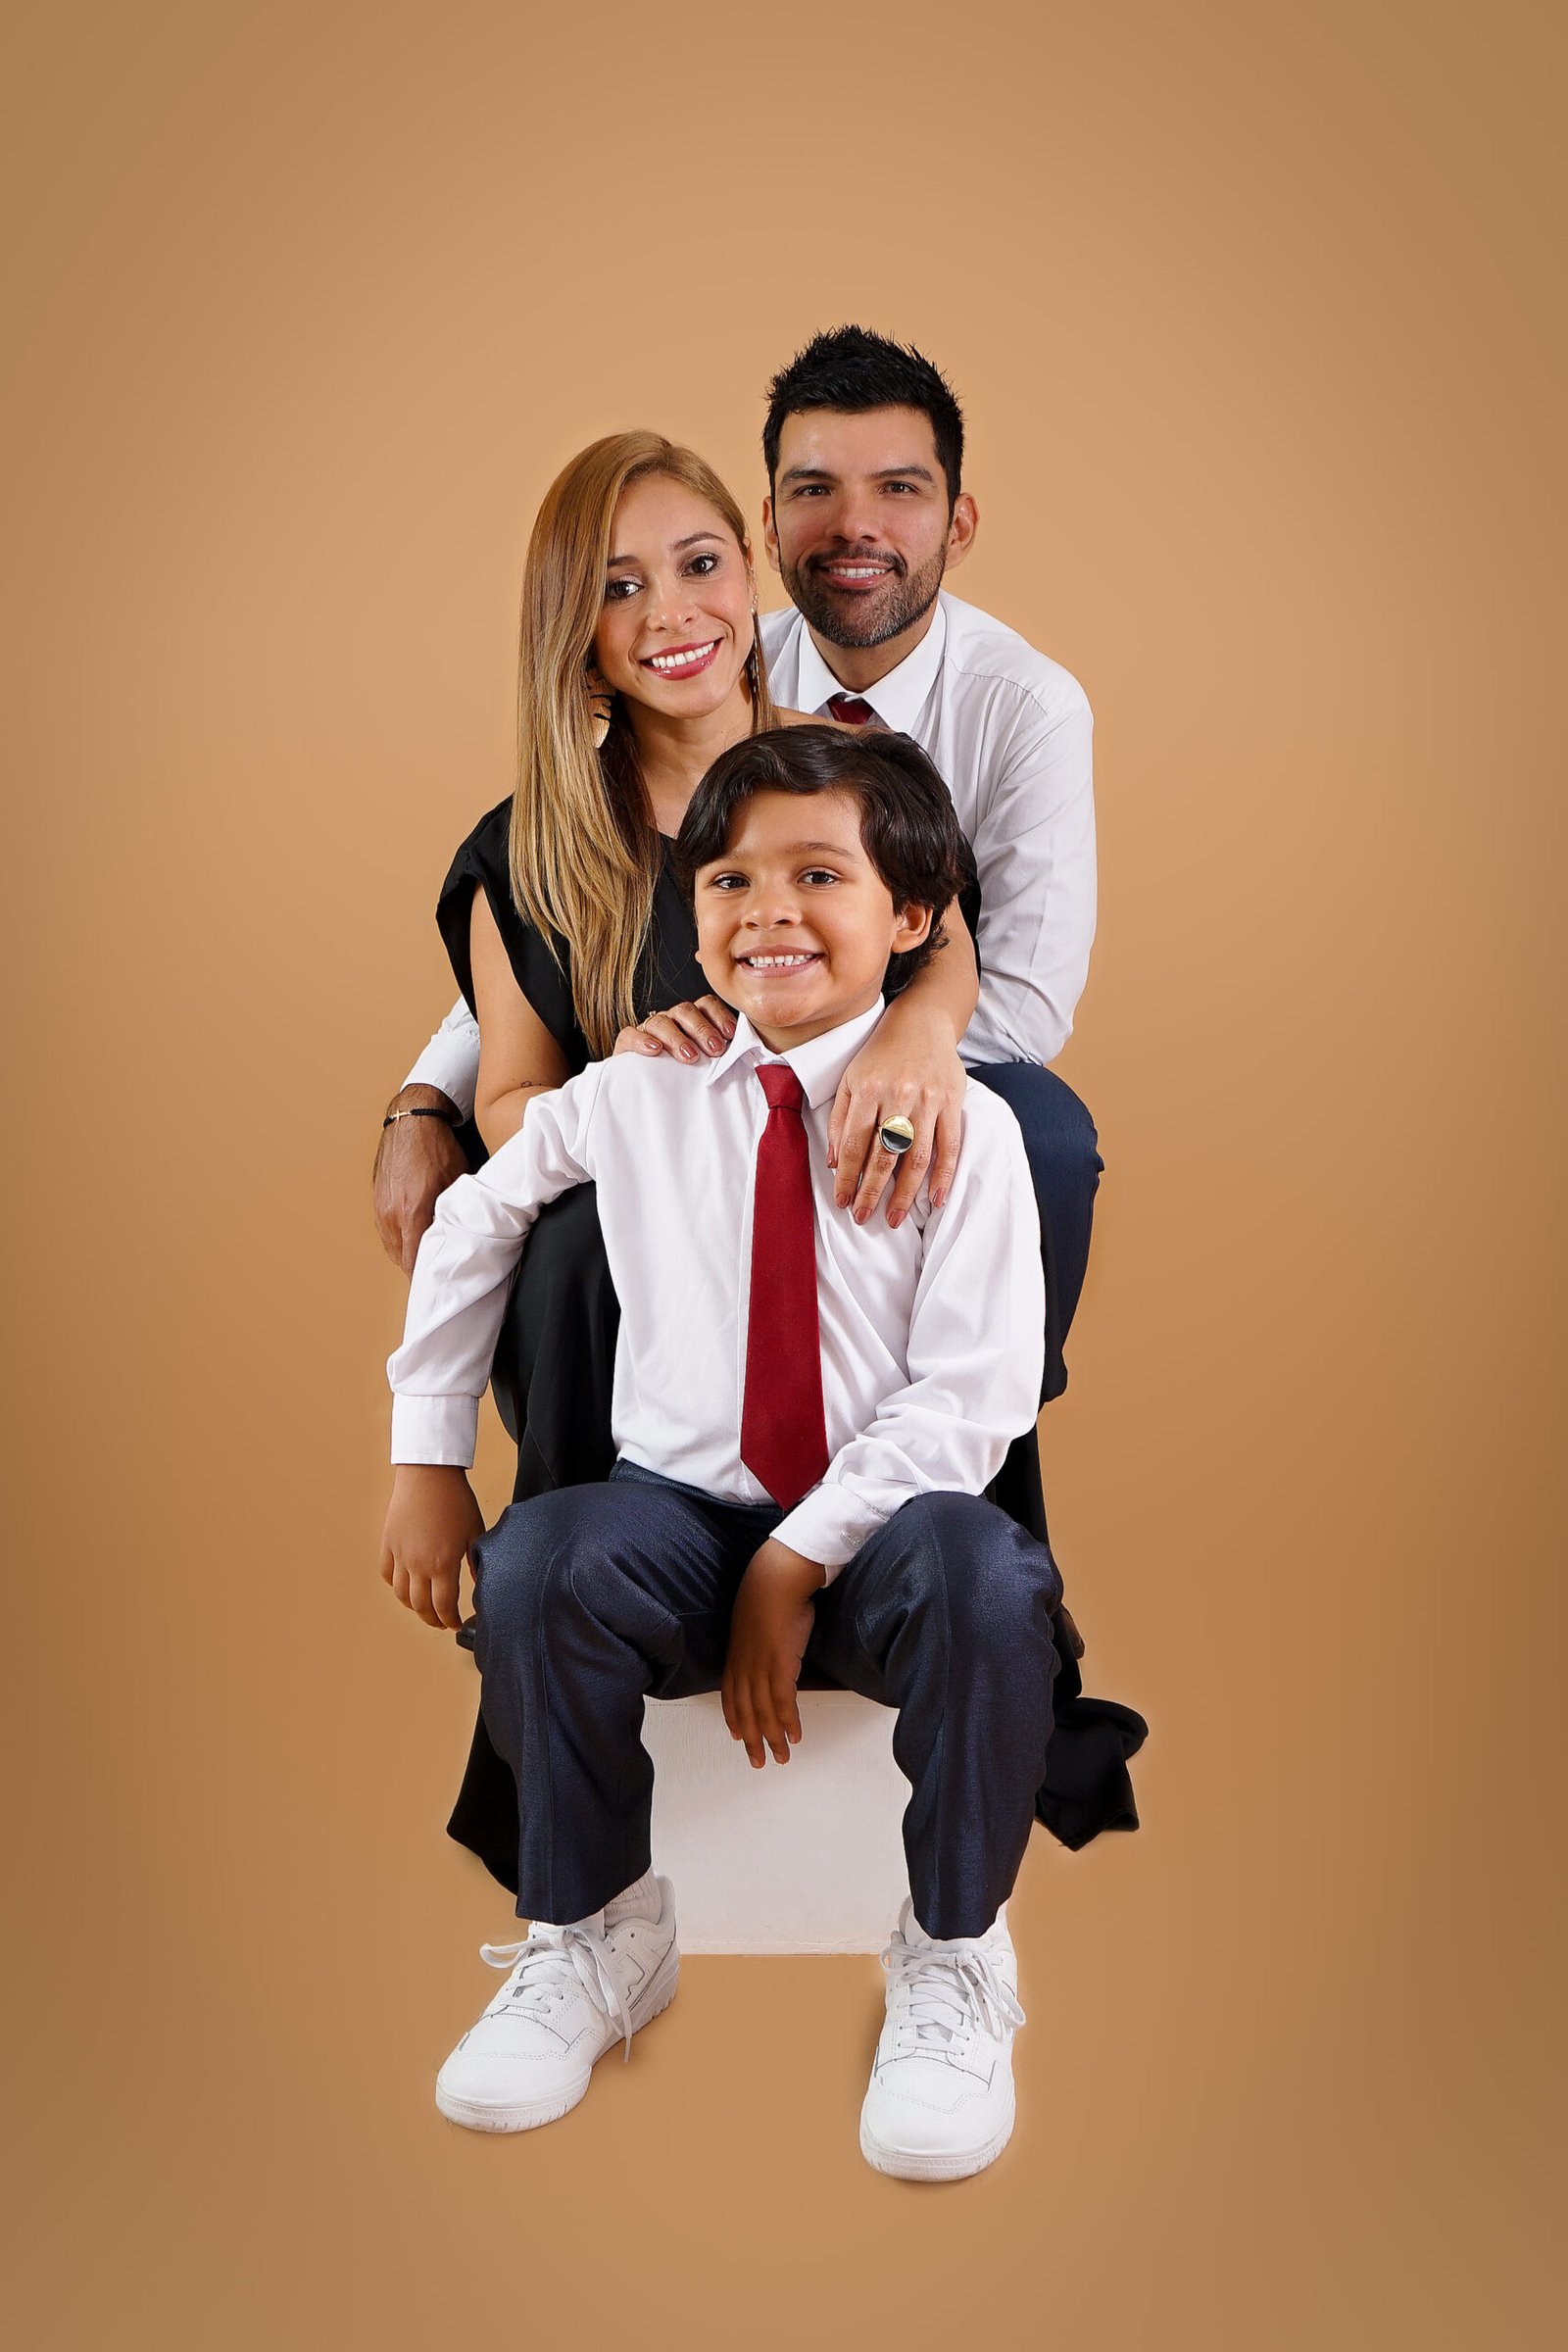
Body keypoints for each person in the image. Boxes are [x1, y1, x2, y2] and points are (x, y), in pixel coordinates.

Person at [381, 724, 1144, 2180]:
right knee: (541, 1560)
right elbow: (476, 1224)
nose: (768, 911)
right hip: (681, 1523)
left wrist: (797, 1563)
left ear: (911, 920)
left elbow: (974, 1393)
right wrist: (427, 1453)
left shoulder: (966, 1128)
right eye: (729, 880)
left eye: (819, 876)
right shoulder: (637, 1095)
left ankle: (953, 1952)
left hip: (879, 1543)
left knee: (989, 1576)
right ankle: (596, 1930)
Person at [375, 328, 1100, 1433]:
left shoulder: (866, 764)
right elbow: (510, 1069)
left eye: (699, 567)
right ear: (574, 629)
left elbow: (950, 947)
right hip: (654, 1186)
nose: (671, 613)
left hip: (846, 1136)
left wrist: (908, 1040)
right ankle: (599, 1525)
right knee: (575, 1237)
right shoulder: (534, 847)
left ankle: (960, 1455)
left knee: (1015, 1134)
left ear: (744, 567)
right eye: (619, 588)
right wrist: (605, 1092)